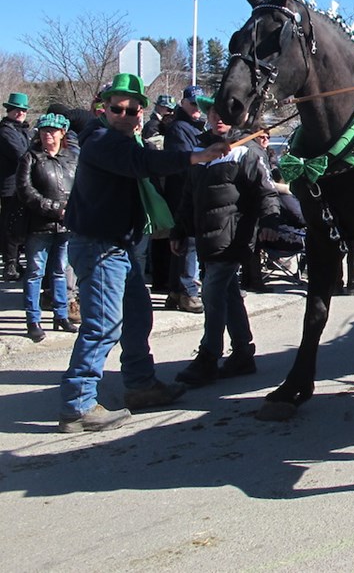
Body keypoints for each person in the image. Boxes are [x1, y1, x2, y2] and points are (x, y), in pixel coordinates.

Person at [59, 73, 231, 433]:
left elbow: (145, 159)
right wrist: (197, 157)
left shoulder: (121, 140)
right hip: (99, 247)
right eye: (117, 108)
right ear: (103, 110)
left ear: (141, 113)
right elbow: (144, 164)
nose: (124, 114)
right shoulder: (103, 141)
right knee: (102, 326)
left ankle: (141, 386)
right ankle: (78, 405)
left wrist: (204, 148)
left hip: (117, 247)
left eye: (131, 109)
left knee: (138, 316)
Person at [173, 98, 279, 386]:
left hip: (233, 236)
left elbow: (266, 191)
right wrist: (180, 230)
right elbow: (188, 193)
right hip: (205, 235)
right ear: (207, 115)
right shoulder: (200, 149)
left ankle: (209, 356)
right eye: (213, 112)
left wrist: (270, 221)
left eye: (225, 113)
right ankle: (243, 352)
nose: (219, 117)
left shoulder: (246, 149)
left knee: (212, 293)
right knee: (229, 293)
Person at [17, 112, 78, 341]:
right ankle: (33, 320)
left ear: (62, 133)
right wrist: (53, 208)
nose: (48, 135)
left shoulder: (71, 158)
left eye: (52, 131)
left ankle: (61, 315)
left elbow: (79, 186)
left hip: (65, 226)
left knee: (60, 272)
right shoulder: (30, 158)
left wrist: (72, 210)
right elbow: (25, 191)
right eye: (44, 131)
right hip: (38, 225)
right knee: (35, 272)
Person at [162, 85, 207, 313]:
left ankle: (175, 292)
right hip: (181, 191)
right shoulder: (178, 128)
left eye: (200, 103)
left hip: (191, 191)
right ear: (183, 103)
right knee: (188, 241)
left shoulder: (197, 128)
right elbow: (185, 161)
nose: (196, 108)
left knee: (182, 243)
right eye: (192, 103)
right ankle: (188, 291)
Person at [0, 91, 32, 280]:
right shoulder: (5, 131)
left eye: (23, 110)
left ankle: (16, 262)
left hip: (22, 184)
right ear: (9, 110)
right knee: (10, 225)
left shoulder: (23, 130)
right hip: (10, 186)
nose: (20, 113)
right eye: (17, 110)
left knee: (20, 225)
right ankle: (10, 264)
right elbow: (21, 154)